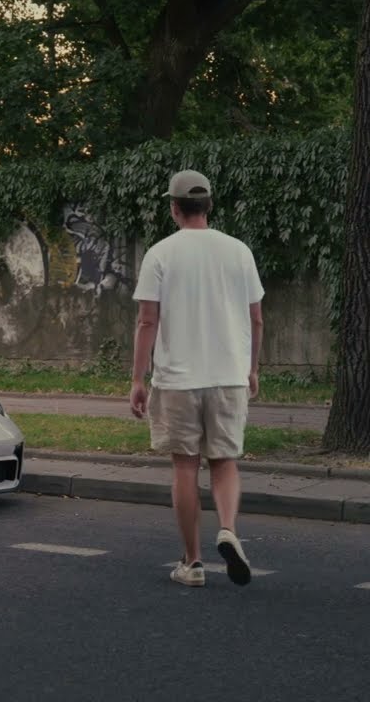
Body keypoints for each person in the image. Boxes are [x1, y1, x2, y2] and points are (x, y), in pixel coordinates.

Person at [129, 169, 264, 588]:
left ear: (174, 208)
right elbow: (256, 318)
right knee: (224, 461)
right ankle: (228, 529)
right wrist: (252, 368)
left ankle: (193, 563)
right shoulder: (238, 251)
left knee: (185, 467)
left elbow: (147, 321)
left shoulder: (160, 254)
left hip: (177, 381)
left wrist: (137, 379)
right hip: (228, 376)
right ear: (209, 206)